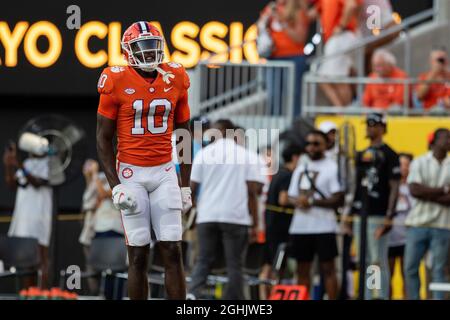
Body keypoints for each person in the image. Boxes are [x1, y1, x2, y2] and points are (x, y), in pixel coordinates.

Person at [96, 21, 192, 300]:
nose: (150, 53)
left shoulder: (176, 76)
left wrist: (184, 184)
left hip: (164, 171)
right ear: (128, 51)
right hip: (131, 173)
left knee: (173, 250)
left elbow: (184, 134)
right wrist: (116, 186)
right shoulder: (114, 79)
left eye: (153, 46)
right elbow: (103, 139)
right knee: (138, 254)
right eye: (142, 47)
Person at [188, 119, 264, 300]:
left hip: (207, 216)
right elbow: (253, 192)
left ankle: (192, 295)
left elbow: (191, 189)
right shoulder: (246, 155)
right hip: (235, 217)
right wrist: (255, 223)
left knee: (203, 261)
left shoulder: (204, 154)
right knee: (234, 265)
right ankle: (233, 302)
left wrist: (198, 207)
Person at [288, 130, 344, 300]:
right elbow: (291, 195)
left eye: (316, 143)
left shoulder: (332, 167)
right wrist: (296, 201)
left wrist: (312, 202)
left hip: (324, 226)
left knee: (328, 269)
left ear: (326, 145)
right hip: (301, 227)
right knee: (302, 270)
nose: (311, 147)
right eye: (308, 143)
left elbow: (338, 198)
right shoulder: (301, 168)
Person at [350, 112, 400, 299]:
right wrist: (349, 215)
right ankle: (367, 295)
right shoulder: (361, 154)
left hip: (378, 214)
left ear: (382, 127)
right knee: (365, 260)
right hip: (359, 213)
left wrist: (389, 216)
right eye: (368, 124)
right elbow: (354, 186)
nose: (369, 127)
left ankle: (379, 296)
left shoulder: (390, 154)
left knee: (377, 259)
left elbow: (394, 187)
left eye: (373, 123)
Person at [404, 128, 450, 300]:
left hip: (443, 225)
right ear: (435, 140)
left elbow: (421, 191)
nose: (449, 141)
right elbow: (414, 190)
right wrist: (443, 190)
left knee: (439, 269)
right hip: (418, 224)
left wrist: (427, 194)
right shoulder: (420, 161)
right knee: (411, 268)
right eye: (446, 138)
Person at [3, 142, 52, 289]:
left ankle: (41, 294)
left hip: (40, 216)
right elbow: (12, 184)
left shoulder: (50, 163)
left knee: (41, 259)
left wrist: (18, 164)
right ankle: (28, 294)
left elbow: (37, 183)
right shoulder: (27, 163)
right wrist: (8, 165)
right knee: (26, 261)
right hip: (24, 218)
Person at [259, 143, 303, 299]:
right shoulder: (287, 175)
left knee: (268, 264)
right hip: (281, 227)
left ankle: (264, 298)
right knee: (278, 266)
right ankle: (274, 295)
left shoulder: (278, 174)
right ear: (295, 157)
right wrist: (301, 202)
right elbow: (283, 199)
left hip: (270, 225)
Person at [257, 0, 310, 115]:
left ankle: (295, 124)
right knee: (273, 94)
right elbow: (259, 29)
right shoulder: (271, 8)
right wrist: (265, 20)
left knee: (294, 94)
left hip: (295, 58)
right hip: (274, 58)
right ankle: (274, 125)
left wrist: (283, 22)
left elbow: (300, 38)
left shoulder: (298, 11)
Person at [313, 0, 362, 107]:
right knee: (325, 77)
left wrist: (341, 26)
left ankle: (344, 113)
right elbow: (312, 14)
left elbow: (351, 5)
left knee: (338, 79)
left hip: (342, 36)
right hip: (337, 38)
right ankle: (342, 111)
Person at [388, 153, 413, 299]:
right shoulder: (389, 185)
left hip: (408, 238)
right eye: (400, 164)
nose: (403, 168)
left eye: (406, 164)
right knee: (385, 274)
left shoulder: (414, 186)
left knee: (408, 274)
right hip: (389, 237)